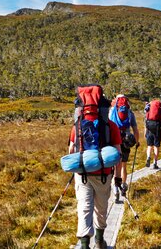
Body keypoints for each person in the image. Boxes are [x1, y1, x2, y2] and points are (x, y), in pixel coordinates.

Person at [69, 85, 121, 248]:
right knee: (101, 209)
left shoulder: (77, 125)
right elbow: (118, 154)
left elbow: (71, 150)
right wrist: (118, 178)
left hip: (82, 173)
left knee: (84, 208)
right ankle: (99, 241)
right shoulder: (110, 126)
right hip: (104, 175)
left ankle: (84, 245)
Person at [109, 94, 138, 201]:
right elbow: (135, 130)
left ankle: (115, 188)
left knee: (115, 165)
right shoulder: (130, 113)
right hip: (126, 141)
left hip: (113, 141)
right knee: (123, 166)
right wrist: (137, 142)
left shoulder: (111, 110)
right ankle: (123, 185)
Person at [144, 98, 161, 169]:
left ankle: (148, 157)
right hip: (157, 129)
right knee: (156, 146)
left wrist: (145, 132)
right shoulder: (160, 110)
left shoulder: (149, 109)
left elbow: (146, 121)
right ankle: (155, 163)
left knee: (149, 146)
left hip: (149, 128)